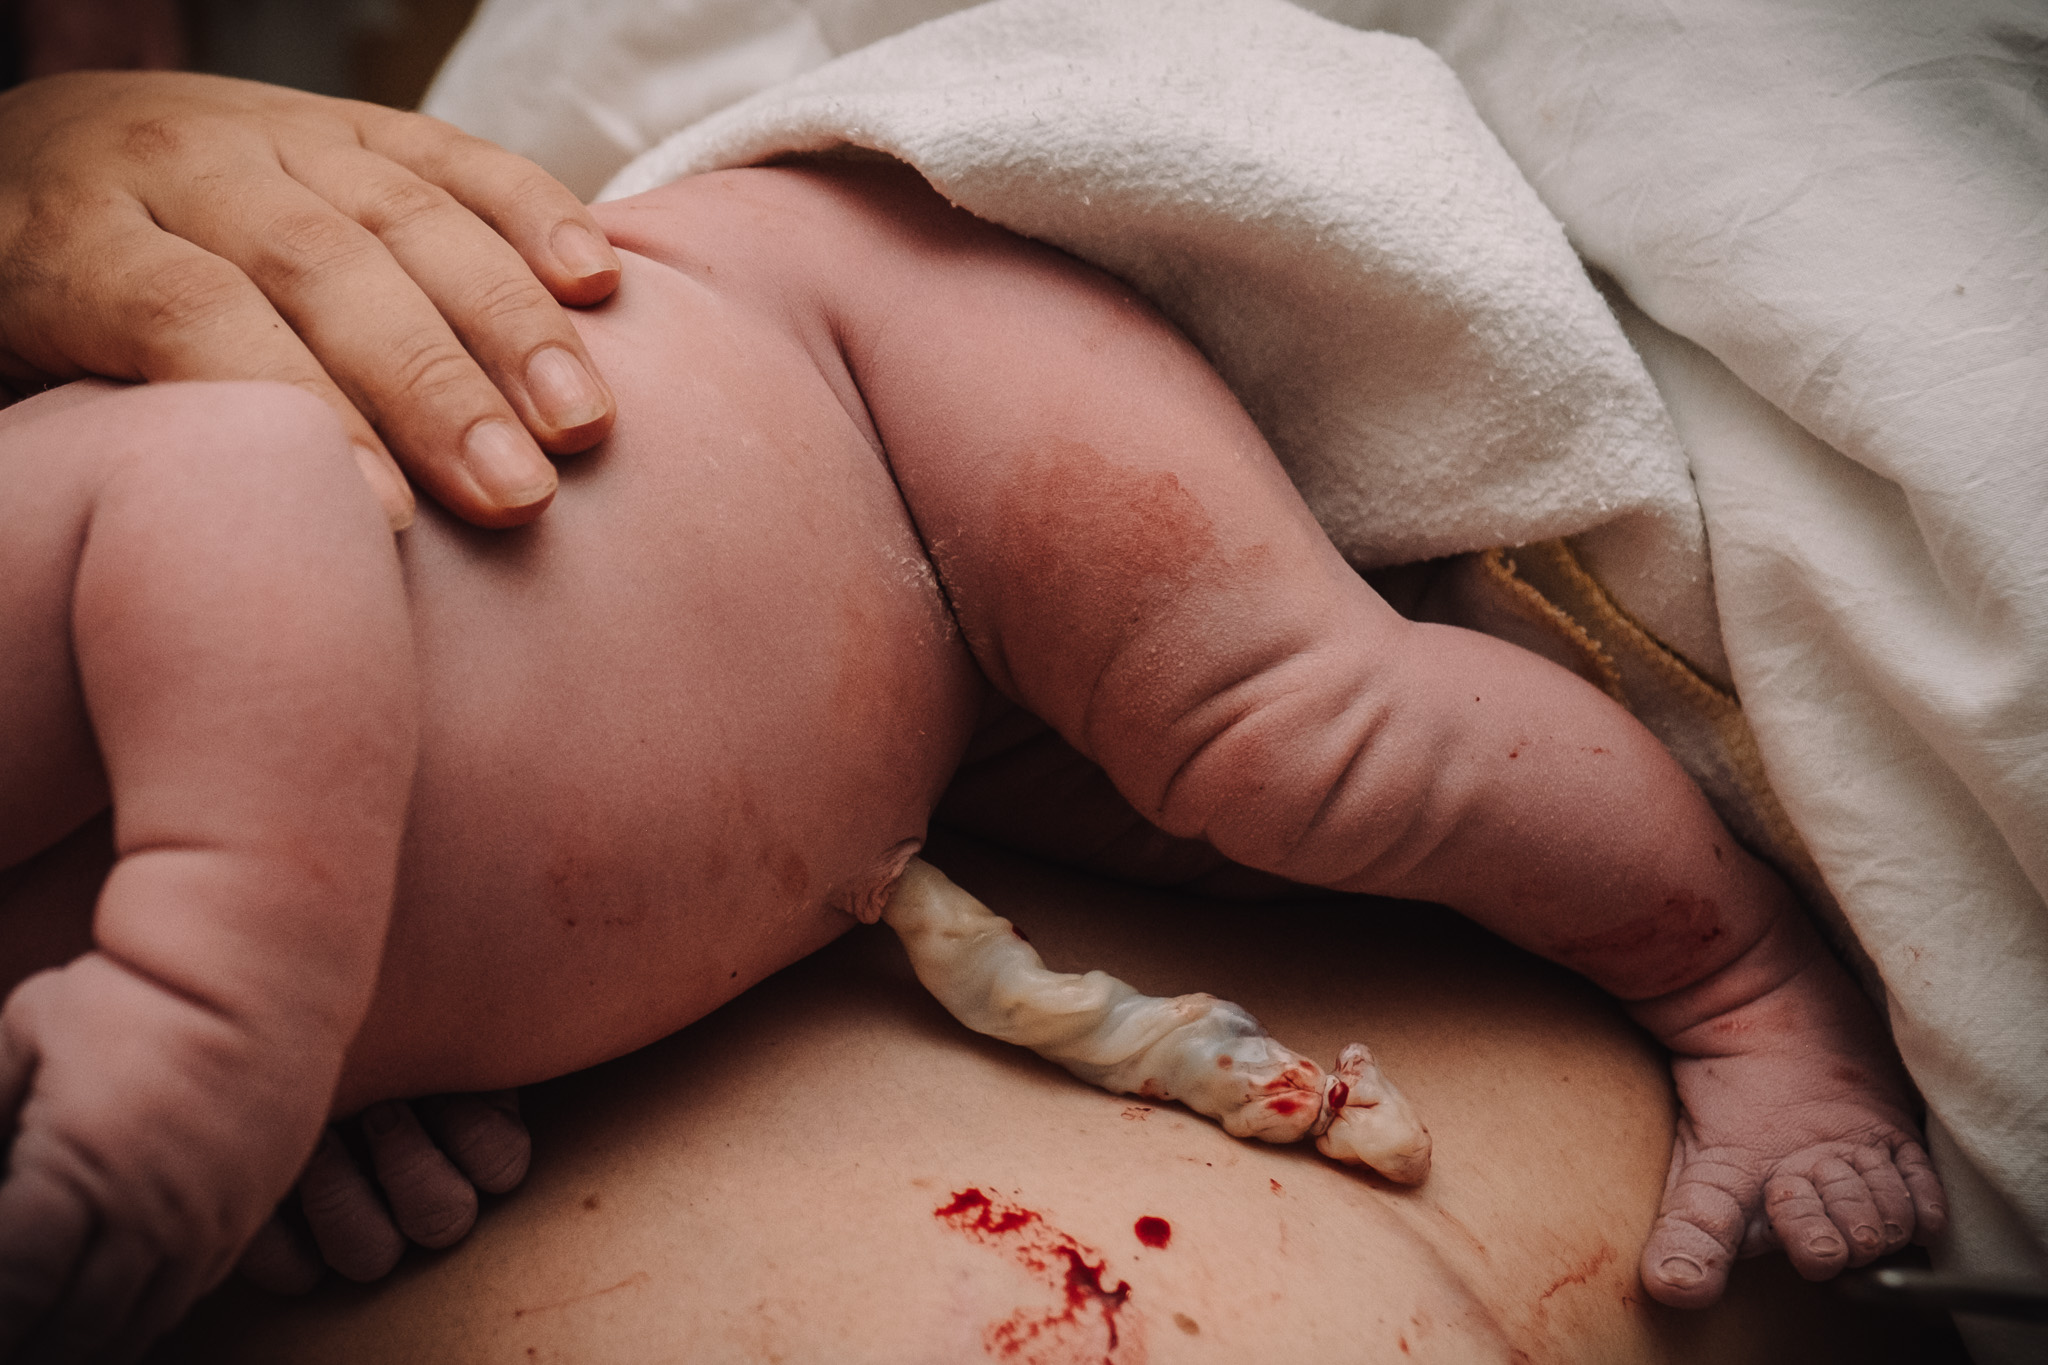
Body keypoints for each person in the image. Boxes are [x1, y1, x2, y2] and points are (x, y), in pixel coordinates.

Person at [0, 154, 1941, 1360]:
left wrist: (228, 990)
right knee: (1257, 841)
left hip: (864, 385)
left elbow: (234, 485)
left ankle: (1746, 989)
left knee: (1294, 740)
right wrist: (343, 1082)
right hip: (898, 773)